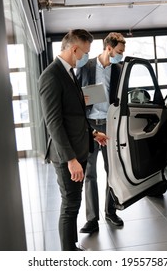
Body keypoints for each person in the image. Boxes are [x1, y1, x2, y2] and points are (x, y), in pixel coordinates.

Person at [38, 29, 108, 251]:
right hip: (67, 155)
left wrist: (93, 134)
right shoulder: (51, 76)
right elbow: (54, 123)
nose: (85, 57)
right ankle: (68, 253)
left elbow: (75, 114)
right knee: (70, 206)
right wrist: (70, 159)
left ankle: (71, 248)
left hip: (79, 148)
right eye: (84, 52)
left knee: (74, 203)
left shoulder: (69, 72)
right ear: (74, 48)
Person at [76, 32, 126, 234]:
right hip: (90, 125)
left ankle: (110, 212)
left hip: (109, 126)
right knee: (90, 173)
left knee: (111, 171)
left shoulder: (118, 69)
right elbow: (78, 95)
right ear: (108, 48)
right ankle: (91, 219)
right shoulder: (86, 66)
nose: (121, 56)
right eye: (119, 51)